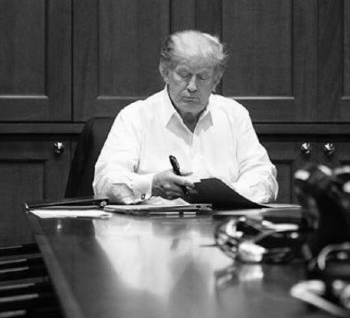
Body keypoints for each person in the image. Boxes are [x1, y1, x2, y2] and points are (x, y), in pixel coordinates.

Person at [93, 30, 278, 204]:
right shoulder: (135, 117)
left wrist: (228, 194)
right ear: (165, 72)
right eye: (183, 75)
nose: (192, 86)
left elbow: (263, 176)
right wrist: (152, 184)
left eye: (203, 77)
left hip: (219, 228)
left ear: (217, 78)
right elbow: (105, 181)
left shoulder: (235, 115)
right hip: (153, 231)